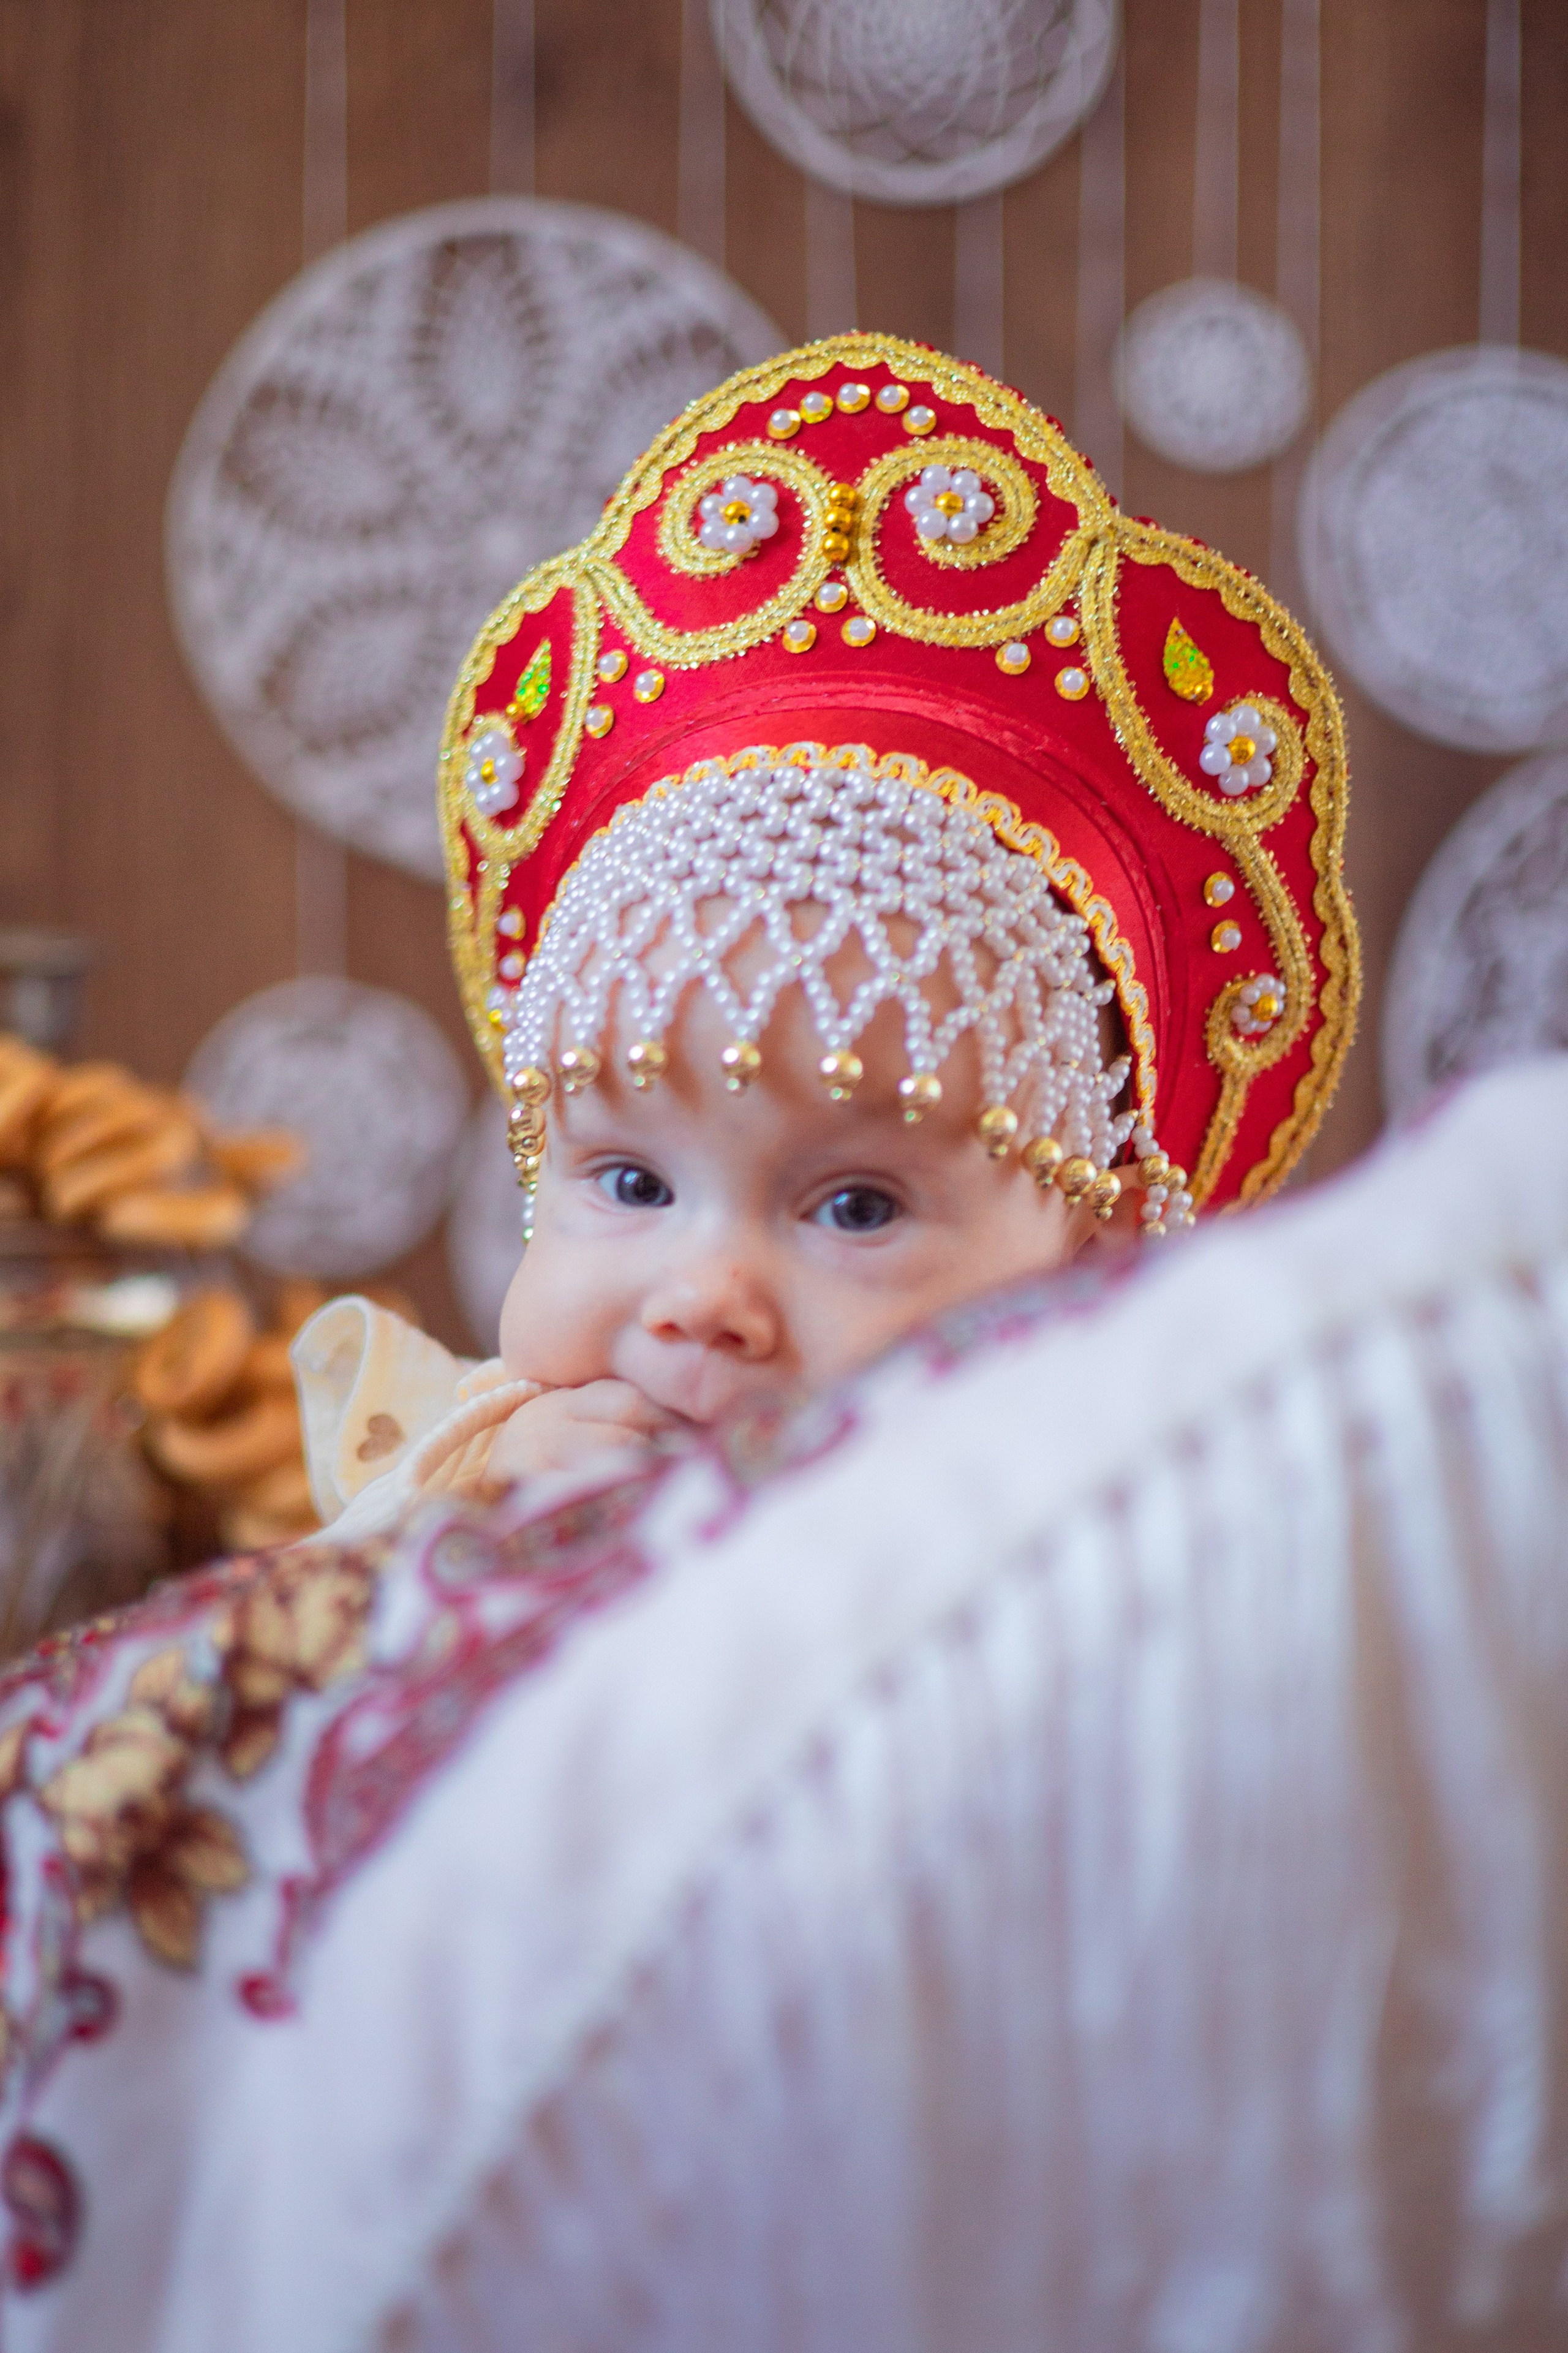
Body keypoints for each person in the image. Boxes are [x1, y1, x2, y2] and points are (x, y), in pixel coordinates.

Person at [293, 331, 1357, 1538]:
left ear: (1091, 1254)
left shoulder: (1111, 1549)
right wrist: (470, 1526)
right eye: (631, 1182)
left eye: (856, 1206)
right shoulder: (473, 1473)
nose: (703, 1300)